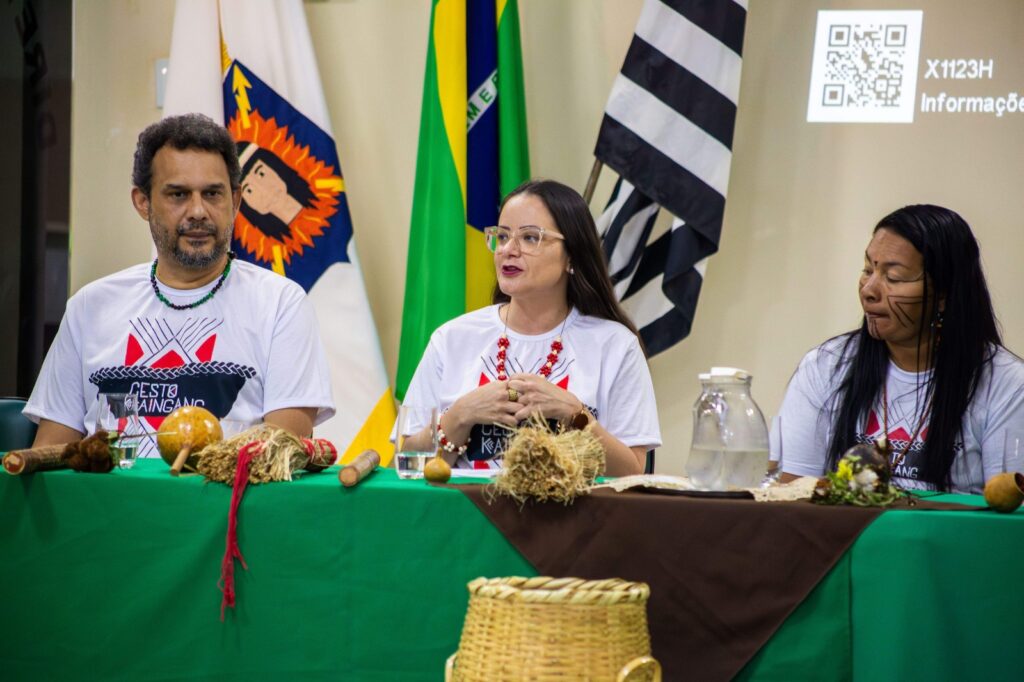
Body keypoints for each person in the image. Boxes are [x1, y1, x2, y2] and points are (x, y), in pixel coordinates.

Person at [24, 113, 335, 456]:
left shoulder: (280, 304)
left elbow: (279, 457)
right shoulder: (90, 306)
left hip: (226, 508)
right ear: (143, 202)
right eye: (178, 195)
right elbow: (49, 456)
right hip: (110, 507)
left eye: (213, 194)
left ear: (235, 201)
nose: (198, 211)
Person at [400, 179, 661, 476]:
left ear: (572, 257)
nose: (508, 250)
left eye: (530, 238)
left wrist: (574, 415)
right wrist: (460, 415)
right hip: (465, 517)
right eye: (502, 236)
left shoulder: (615, 345)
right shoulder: (452, 339)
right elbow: (407, 466)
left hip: (576, 520)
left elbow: (634, 473)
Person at [775, 204, 1024, 493]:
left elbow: (1010, 515)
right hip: (845, 538)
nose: (869, 289)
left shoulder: (1007, 385)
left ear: (943, 294)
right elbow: (790, 497)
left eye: (893, 278)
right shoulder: (825, 366)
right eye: (868, 269)